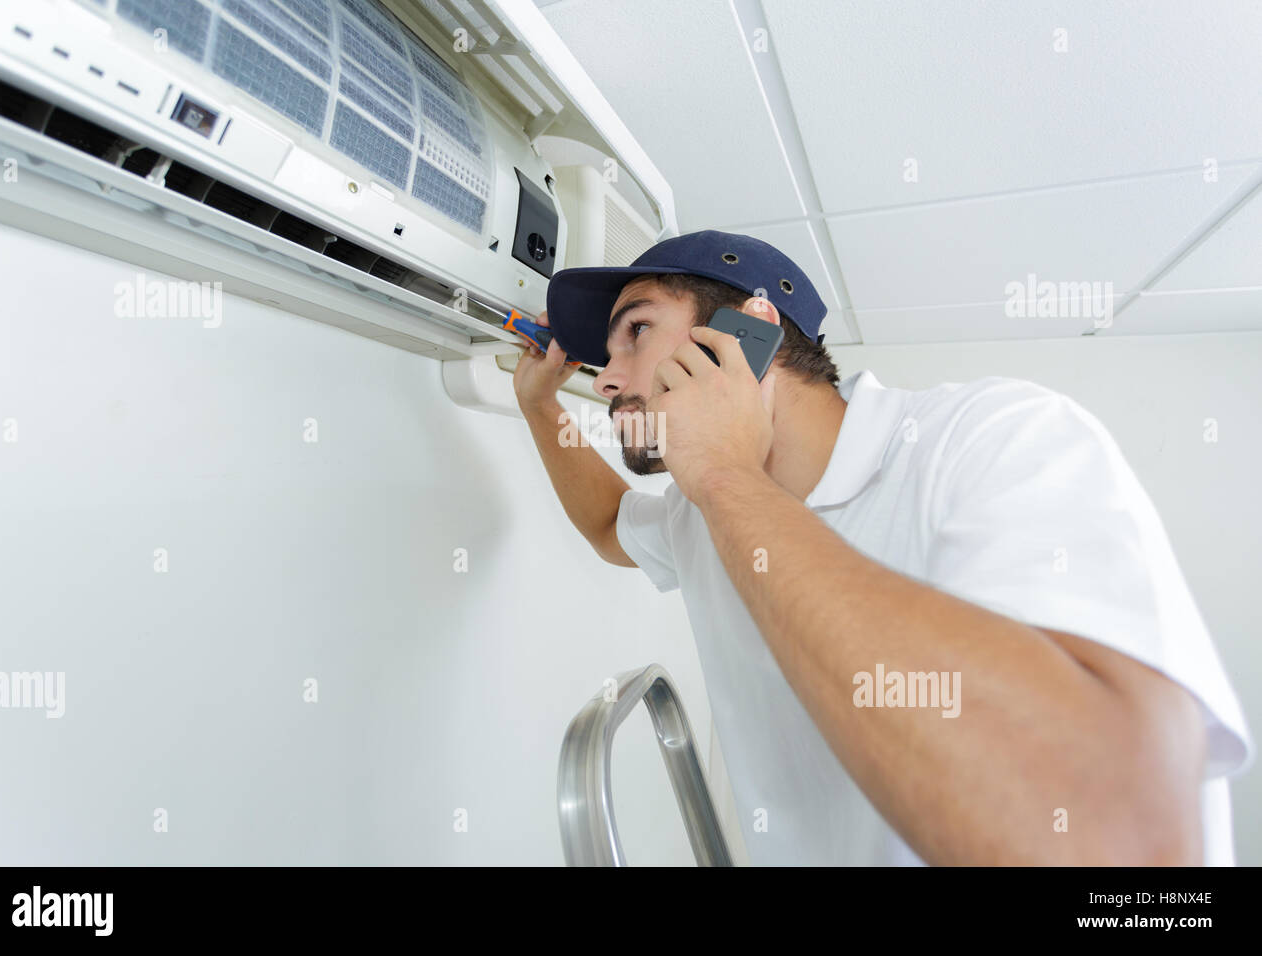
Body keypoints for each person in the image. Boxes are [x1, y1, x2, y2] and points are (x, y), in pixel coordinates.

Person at [513, 228, 1254, 866]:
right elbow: (613, 526)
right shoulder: (697, 511)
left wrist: (724, 474)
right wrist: (540, 405)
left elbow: (1117, 843)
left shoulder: (994, 441)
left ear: (748, 332)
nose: (607, 379)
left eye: (635, 331)